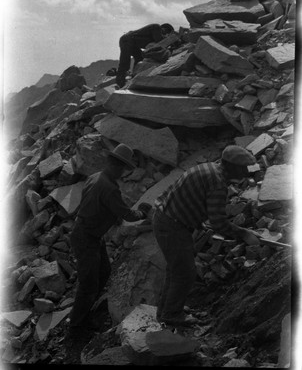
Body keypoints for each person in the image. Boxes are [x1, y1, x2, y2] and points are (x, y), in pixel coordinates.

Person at [152, 145, 261, 327]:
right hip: (173, 225)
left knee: (175, 270)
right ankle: (172, 314)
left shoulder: (210, 167)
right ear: (232, 167)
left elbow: (191, 197)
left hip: (167, 217)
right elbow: (218, 222)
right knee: (185, 273)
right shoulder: (218, 183)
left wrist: (197, 220)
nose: (244, 174)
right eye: (243, 169)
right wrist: (244, 233)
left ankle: (167, 310)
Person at [67, 143, 152, 340]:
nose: (123, 173)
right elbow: (128, 215)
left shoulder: (96, 177)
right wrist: (144, 211)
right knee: (89, 283)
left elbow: (92, 201)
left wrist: (105, 215)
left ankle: (85, 312)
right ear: (116, 166)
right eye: (122, 169)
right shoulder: (109, 188)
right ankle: (76, 326)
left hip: (88, 233)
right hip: (87, 237)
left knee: (104, 272)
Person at [116, 23, 174, 88]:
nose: (166, 34)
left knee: (139, 59)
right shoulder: (156, 27)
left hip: (132, 43)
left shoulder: (155, 33)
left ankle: (134, 78)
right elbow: (160, 41)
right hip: (126, 40)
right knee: (125, 63)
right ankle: (119, 83)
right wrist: (171, 40)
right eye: (166, 33)